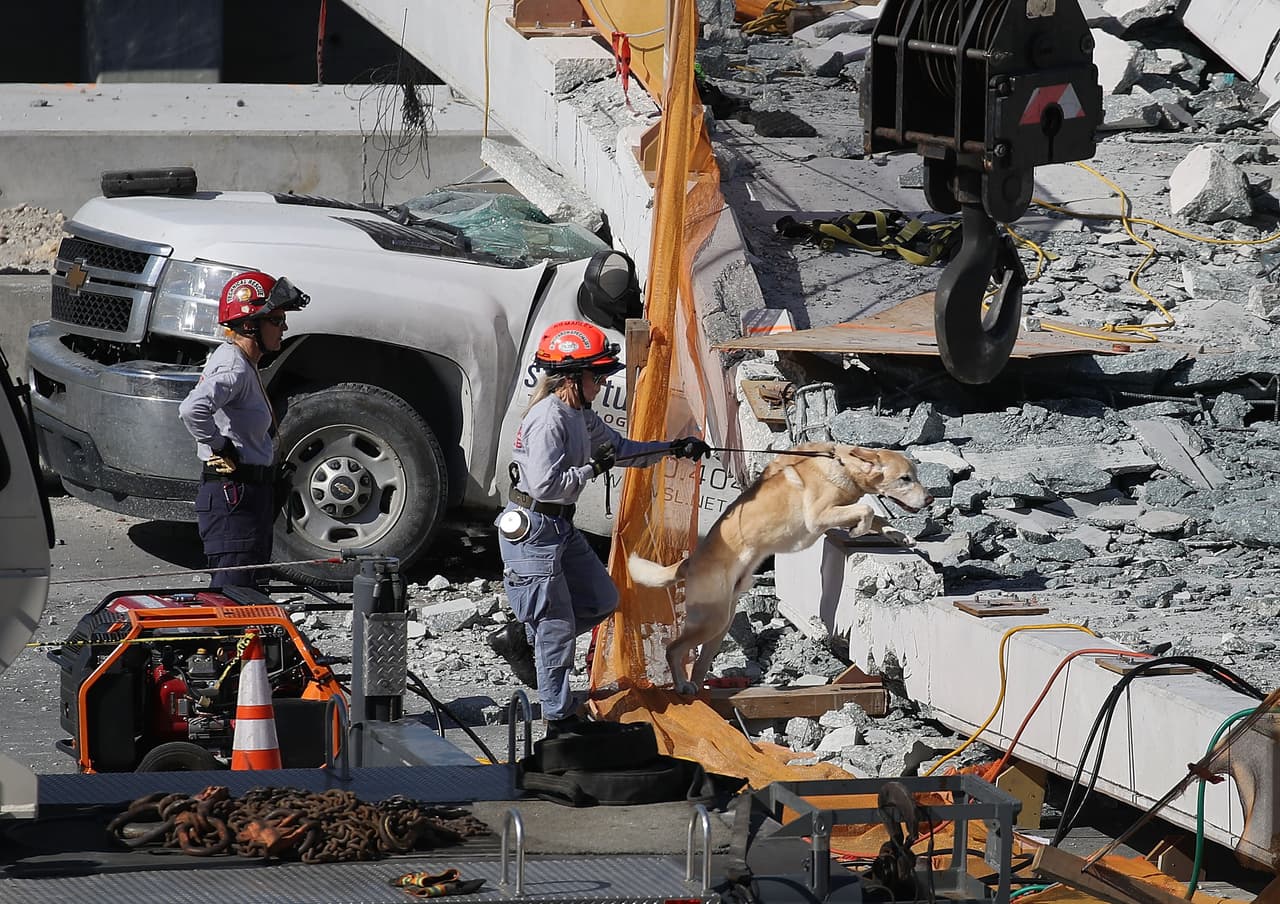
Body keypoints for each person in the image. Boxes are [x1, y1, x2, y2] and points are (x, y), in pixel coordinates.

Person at [487, 319, 711, 734]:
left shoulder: (578, 414)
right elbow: (546, 484)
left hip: (557, 529)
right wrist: (592, 468)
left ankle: (523, 636)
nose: (602, 384)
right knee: (556, 628)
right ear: (573, 379)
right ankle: (559, 720)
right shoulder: (550, 419)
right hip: (534, 531)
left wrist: (673, 449)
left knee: (602, 599)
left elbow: (619, 450)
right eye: (597, 376)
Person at [178, 271, 310, 589]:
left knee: (247, 595)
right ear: (250, 324)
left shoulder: (243, 363)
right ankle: (215, 642)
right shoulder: (233, 367)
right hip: (233, 497)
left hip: (247, 497)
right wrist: (218, 445)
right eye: (276, 320)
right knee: (233, 600)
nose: (284, 327)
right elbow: (191, 409)